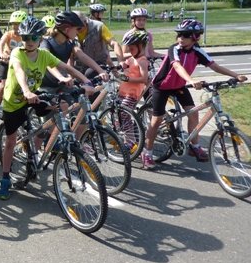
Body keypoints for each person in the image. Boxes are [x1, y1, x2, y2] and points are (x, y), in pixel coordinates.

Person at [0, 17, 93, 200]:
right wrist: (26, 91)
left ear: (40, 38)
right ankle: (5, 178)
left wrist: (86, 81)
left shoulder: (43, 54)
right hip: (14, 101)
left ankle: (42, 141)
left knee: (57, 110)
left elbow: (66, 68)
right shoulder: (17, 53)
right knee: (10, 141)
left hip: (34, 96)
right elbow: (19, 71)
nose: (29, 41)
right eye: (25, 37)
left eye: (34, 37)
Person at [140, 19, 247, 169]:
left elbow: (214, 66)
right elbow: (177, 66)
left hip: (178, 86)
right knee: (156, 119)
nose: (180, 38)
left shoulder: (197, 51)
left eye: (185, 35)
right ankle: (147, 152)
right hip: (162, 87)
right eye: (179, 35)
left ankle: (194, 146)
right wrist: (191, 80)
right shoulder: (174, 49)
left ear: (195, 37)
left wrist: (236, 75)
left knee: (193, 113)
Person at [40, 11, 108, 96]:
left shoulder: (70, 42)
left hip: (63, 83)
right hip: (45, 86)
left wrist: (100, 71)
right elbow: (47, 62)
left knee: (79, 99)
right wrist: (61, 77)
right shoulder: (46, 42)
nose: (78, 32)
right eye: (77, 29)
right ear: (67, 30)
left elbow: (82, 56)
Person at [116, 30, 150, 153]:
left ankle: (130, 141)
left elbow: (144, 79)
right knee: (121, 115)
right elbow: (124, 66)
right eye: (128, 47)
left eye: (132, 47)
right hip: (123, 91)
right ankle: (129, 139)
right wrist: (116, 67)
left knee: (124, 114)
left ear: (140, 46)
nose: (129, 50)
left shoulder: (142, 60)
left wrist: (128, 79)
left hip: (132, 93)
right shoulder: (131, 59)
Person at [0, 10, 27, 122]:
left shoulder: (26, 36)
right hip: (6, 62)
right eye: (14, 24)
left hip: (20, 63)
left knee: (22, 86)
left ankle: (19, 109)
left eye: (18, 24)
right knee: (3, 86)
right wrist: (2, 54)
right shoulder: (9, 34)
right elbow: (1, 44)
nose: (15, 27)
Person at [73, 10, 124, 78]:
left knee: (89, 75)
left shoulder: (99, 26)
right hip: (80, 65)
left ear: (85, 22)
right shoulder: (70, 31)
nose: (77, 31)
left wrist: (121, 61)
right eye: (75, 28)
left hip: (98, 63)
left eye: (79, 28)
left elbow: (114, 43)